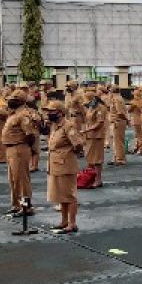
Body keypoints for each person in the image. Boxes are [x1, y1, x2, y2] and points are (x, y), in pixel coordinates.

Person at [45, 99, 83, 234]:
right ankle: (64, 221)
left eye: (52, 111)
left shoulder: (68, 126)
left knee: (69, 195)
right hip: (55, 164)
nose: (49, 114)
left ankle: (72, 223)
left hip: (65, 165)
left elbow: (78, 144)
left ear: (60, 112)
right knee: (61, 196)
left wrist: (67, 155)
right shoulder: (54, 126)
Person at [1, 89, 37, 217]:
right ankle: (16, 205)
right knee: (13, 179)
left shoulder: (23, 115)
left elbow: (30, 134)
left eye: (13, 99)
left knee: (21, 180)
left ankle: (26, 207)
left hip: (19, 148)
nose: (10, 101)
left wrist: (24, 145)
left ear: (21, 101)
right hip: (11, 148)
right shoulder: (14, 114)